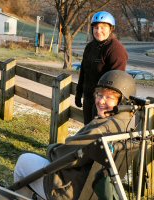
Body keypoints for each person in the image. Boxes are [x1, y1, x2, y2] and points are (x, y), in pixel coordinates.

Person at [14, 70, 136, 200]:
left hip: (68, 191)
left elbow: (61, 156)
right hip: (91, 190)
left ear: (122, 102)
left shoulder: (102, 129)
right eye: (99, 95)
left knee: (24, 161)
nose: (101, 101)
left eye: (109, 97)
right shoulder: (129, 124)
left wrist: (51, 149)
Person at [75, 11, 128, 125]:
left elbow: (116, 83)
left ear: (111, 29)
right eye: (96, 27)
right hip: (89, 99)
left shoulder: (116, 50)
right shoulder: (90, 47)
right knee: (87, 132)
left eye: (103, 27)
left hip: (104, 104)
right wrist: (79, 92)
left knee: (99, 136)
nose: (98, 31)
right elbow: (83, 72)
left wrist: (102, 104)